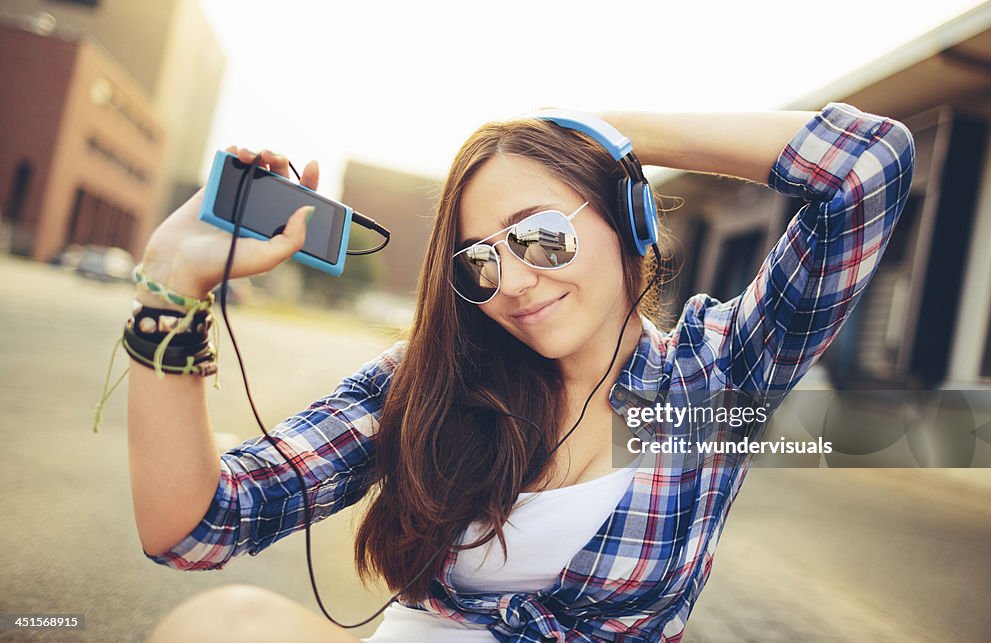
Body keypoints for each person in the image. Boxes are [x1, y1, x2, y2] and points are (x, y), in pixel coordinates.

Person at [127, 103, 914, 642]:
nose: (512, 281)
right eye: (479, 262)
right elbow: (195, 526)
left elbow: (868, 164)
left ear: (628, 217)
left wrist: (612, 130)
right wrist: (172, 282)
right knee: (223, 620)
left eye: (539, 235)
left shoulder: (714, 375)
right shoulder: (436, 379)